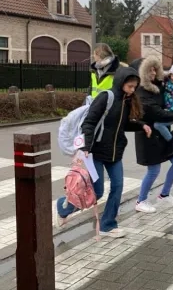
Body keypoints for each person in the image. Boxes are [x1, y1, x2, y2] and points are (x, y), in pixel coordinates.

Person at [56, 66, 152, 238]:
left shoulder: (126, 100)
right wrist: (85, 146)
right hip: (96, 153)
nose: (132, 90)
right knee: (96, 192)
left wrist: (141, 125)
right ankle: (63, 207)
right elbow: (89, 122)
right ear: (121, 82)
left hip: (115, 153)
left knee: (117, 187)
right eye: (129, 86)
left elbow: (121, 125)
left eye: (134, 87)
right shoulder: (107, 97)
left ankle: (107, 225)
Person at [130, 55, 173, 214]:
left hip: (164, 133)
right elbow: (156, 112)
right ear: (142, 73)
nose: (153, 73)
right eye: (150, 70)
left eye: (155, 70)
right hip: (148, 136)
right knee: (153, 170)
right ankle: (141, 200)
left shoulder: (159, 84)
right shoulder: (141, 92)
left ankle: (164, 194)